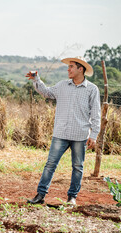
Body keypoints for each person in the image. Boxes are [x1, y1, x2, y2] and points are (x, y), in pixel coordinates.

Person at [26, 56, 101, 205]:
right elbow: (46, 92)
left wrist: (94, 135)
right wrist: (36, 79)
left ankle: (72, 197)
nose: (68, 69)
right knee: (50, 164)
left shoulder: (92, 89)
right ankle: (40, 195)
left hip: (80, 135)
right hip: (60, 133)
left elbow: (96, 114)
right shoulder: (62, 85)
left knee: (78, 167)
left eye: (71, 66)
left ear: (81, 69)